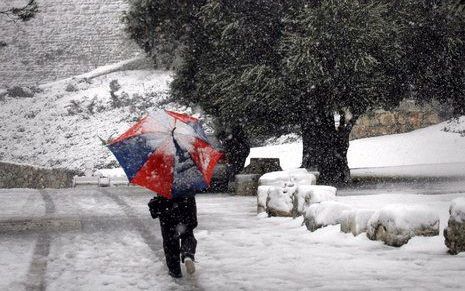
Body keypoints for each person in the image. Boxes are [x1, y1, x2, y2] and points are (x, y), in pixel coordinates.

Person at [148, 194, 198, 278]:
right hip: (186, 206)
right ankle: (187, 254)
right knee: (187, 234)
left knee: (170, 241)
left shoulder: (163, 183)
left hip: (166, 208)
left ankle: (175, 271)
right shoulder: (187, 182)